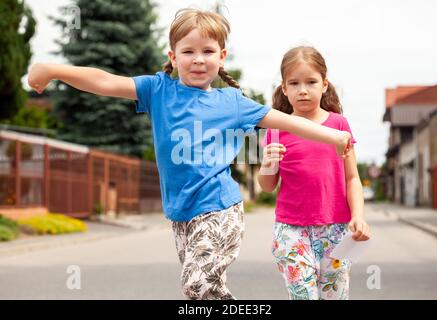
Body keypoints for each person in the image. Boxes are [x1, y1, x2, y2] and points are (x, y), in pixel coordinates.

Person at [28, 9, 351, 300]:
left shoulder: (232, 102)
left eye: (208, 51)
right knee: (203, 295)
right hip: (181, 213)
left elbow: (285, 121)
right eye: (189, 51)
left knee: (195, 283)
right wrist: (54, 69)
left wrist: (333, 135)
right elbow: (105, 81)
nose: (198, 59)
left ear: (221, 57)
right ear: (173, 55)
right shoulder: (158, 91)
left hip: (220, 209)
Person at [258, 46, 370, 300]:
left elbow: (352, 177)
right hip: (290, 230)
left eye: (311, 82)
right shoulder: (276, 129)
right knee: (303, 296)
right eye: (294, 83)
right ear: (284, 89)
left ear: (325, 85)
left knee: (335, 296)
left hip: (337, 229)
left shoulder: (338, 126)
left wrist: (359, 216)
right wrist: (266, 164)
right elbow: (267, 186)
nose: (303, 90)